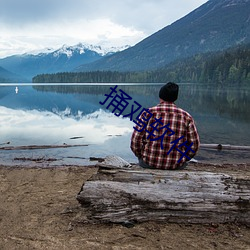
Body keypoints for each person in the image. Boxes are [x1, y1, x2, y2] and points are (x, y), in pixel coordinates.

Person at [130, 82, 200, 170]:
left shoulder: (147, 114)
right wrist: (184, 158)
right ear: (175, 98)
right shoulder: (186, 116)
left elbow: (135, 141)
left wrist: (141, 156)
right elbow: (194, 145)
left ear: (160, 96)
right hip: (176, 165)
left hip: (149, 162)